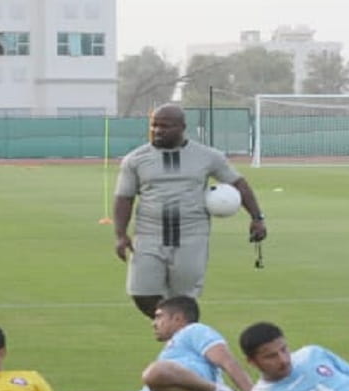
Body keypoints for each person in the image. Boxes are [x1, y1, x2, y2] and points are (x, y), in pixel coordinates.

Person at [113, 104, 266, 318]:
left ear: (182, 127)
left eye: (165, 126)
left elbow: (238, 183)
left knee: (183, 299)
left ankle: (180, 337)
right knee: (141, 292)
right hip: (149, 235)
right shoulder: (135, 159)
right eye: (154, 125)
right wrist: (120, 235)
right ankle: (176, 330)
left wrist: (257, 218)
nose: (158, 130)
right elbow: (124, 198)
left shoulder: (207, 156)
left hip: (191, 236)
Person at [63, 296, 253, 391]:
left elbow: (228, 362)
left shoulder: (194, 330)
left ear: (178, 318)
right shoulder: (171, 347)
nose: (154, 324)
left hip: (192, 390)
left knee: (155, 373)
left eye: (159, 317)